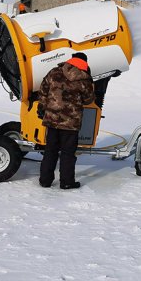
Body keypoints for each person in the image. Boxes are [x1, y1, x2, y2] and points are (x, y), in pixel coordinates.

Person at [37, 52, 96, 189]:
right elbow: (89, 99)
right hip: (71, 122)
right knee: (68, 153)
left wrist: (42, 107)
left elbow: (43, 90)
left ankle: (45, 181)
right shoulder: (83, 78)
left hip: (52, 119)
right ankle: (67, 182)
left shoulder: (54, 72)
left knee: (50, 151)